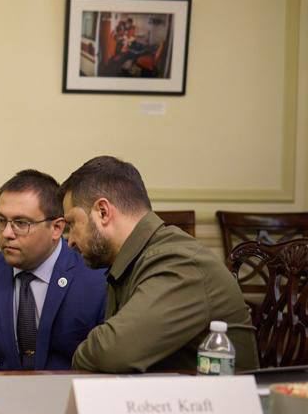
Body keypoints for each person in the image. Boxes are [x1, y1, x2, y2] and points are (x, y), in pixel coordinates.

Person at [59, 155, 258, 373]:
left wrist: (82, 353)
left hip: (216, 395)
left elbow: (113, 353)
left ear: (103, 212)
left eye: (72, 223)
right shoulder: (135, 260)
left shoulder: (179, 262)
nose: (70, 241)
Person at [0, 170, 106, 371]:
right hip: (1, 390)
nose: (7, 233)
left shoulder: (96, 277)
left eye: (21, 223)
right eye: (1, 220)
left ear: (56, 228)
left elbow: (104, 361)